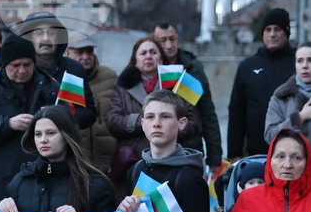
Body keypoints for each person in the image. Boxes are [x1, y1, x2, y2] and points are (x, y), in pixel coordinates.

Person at [0, 35, 60, 206]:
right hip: (1, 178)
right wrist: (7, 124)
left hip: (45, 174)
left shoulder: (50, 87)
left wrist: (53, 117)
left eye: (27, 64)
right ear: (4, 64)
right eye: (15, 65)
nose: (22, 70)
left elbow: (70, 126)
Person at [107, 36, 189, 195]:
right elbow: (113, 121)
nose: (148, 56)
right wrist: (144, 122)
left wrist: (170, 127)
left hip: (169, 161)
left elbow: (191, 122)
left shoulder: (176, 84)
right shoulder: (121, 86)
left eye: (153, 52)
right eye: (143, 53)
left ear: (161, 58)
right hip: (132, 162)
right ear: (135, 60)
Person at [227, 8, 296, 159]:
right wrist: (234, 153)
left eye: (277, 29)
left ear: (287, 32)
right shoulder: (247, 66)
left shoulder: (298, 64)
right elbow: (236, 111)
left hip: (291, 153)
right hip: (255, 152)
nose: (272, 34)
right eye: (268, 29)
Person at [154, 22, 224, 169]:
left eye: (172, 39)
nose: (169, 45)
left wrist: (214, 156)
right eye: (163, 40)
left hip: (190, 149)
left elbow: (207, 113)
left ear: (177, 38)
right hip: (156, 151)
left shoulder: (193, 69)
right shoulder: (149, 67)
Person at [15, 12, 96, 130]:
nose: (45, 38)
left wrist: (63, 115)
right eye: (38, 33)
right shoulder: (16, 69)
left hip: (64, 138)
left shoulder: (72, 69)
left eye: (51, 33)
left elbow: (89, 113)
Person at [66, 36, 118, 172]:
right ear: (67, 52)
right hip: (75, 161)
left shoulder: (110, 77)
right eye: (79, 52)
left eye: (89, 51)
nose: (85, 57)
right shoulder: (63, 79)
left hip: (107, 160)